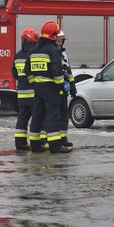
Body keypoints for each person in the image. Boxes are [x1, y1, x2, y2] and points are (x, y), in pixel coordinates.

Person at [28, 21, 71, 153]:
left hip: (38, 88)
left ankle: (35, 145)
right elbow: (57, 72)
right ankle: (55, 146)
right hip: (51, 88)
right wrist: (59, 86)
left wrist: (35, 82)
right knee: (53, 116)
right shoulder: (53, 51)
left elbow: (27, 71)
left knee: (37, 115)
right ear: (53, 36)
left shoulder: (34, 51)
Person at [12, 27, 40, 152]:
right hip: (34, 93)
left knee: (22, 118)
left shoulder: (17, 55)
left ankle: (20, 143)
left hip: (22, 93)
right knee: (38, 118)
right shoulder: (35, 54)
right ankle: (39, 142)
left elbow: (15, 73)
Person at [56, 30, 76, 149]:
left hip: (64, 89)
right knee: (54, 115)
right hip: (54, 90)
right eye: (57, 41)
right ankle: (54, 139)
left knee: (64, 114)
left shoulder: (64, 54)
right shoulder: (51, 53)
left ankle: (63, 138)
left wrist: (72, 88)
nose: (59, 43)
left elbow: (69, 72)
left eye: (61, 41)